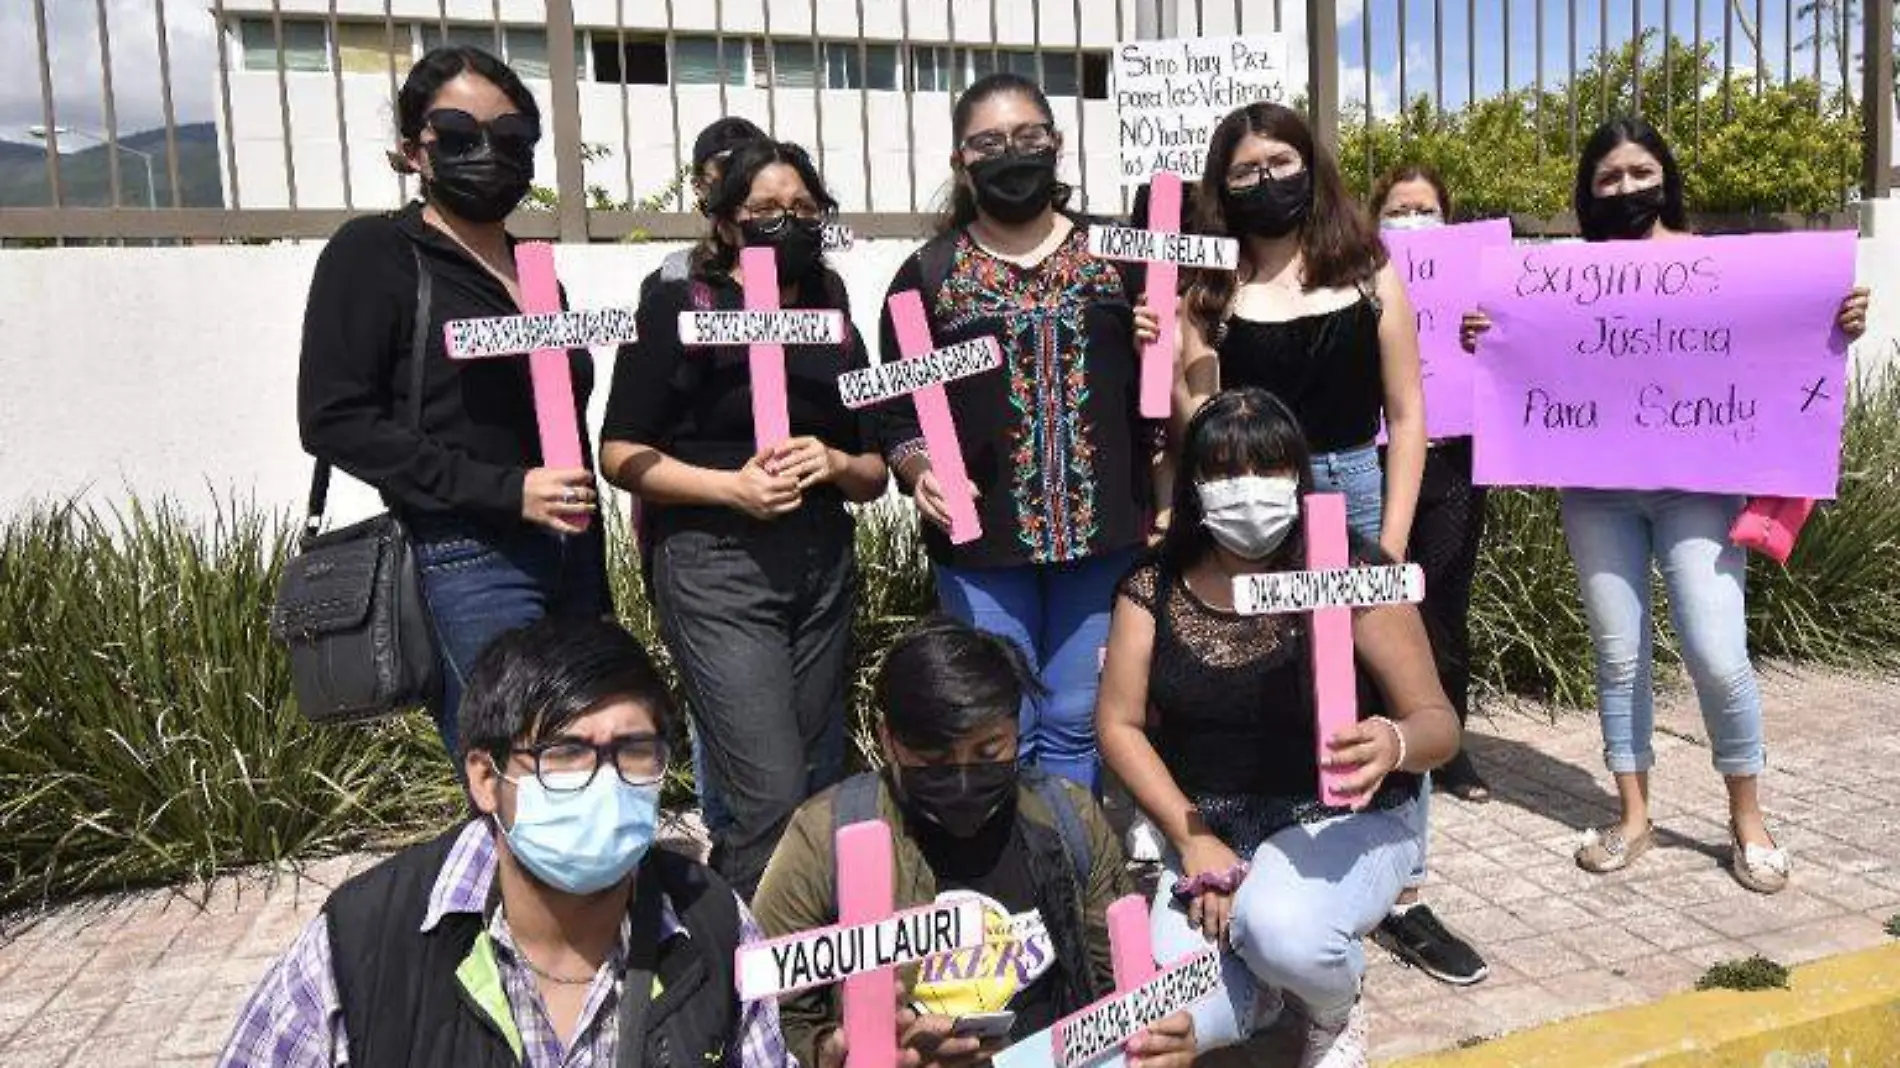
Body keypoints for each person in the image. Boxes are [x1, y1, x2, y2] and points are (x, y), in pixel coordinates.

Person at [1461, 117, 1871, 893]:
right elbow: (1513, 354)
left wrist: (1839, 318)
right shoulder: (1561, 278)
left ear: (1666, 177)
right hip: (1596, 492)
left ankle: (1747, 817)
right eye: (1608, 178)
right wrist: (1485, 334)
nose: (1625, 189)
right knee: (1618, 656)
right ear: (1588, 192)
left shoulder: (1719, 266)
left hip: (1699, 488)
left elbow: (1785, 339)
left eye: (1639, 173)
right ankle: (1632, 816)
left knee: (1718, 654)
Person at [1175, 104, 1482, 988]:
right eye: (1245, 170)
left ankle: (1405, 886)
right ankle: (1282, 849)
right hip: (1247, 501)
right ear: (1222, 187)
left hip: (1351, 489)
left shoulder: (1370, 270)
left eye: (1281, 161)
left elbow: (1409, 415)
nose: (1265, 179)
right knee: (1272, 673)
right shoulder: (1212, 288)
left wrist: (1384, 543)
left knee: (1387, 682)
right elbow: (1196, 415)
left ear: (1312, 166)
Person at [217, 617, 791, 1068]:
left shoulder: (712, 921)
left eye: (634, 751)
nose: (607, 781)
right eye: (565, 755)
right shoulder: (363, 947)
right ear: (487, 779)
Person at [1095, 387, 1462, 1068]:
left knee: (1280, 928)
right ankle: (1262, 998)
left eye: (1267, 470)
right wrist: (1192, 839)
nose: (1248, 491)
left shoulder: (1353, 573)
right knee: (1171, 1021)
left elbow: (1439, 724)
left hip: (1343, 820)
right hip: (1213, 831)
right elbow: (1118, 725)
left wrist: (1395, 743)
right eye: (1226, 472)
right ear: (1195, 483)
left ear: (1298, 475)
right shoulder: (1152, 586)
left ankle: (1332, 1004)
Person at [297, 46, 609, 759]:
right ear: (414, 150)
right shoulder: (374, 252)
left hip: (571, 553)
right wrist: (505, 491)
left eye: (510, 139)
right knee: (521, 772)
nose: (488, 154)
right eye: (460, 136)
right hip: (464, 558)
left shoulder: (536, 273)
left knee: (584, 758)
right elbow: (334, 418)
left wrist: (590, 562)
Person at [601, 138, 887, 898]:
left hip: (820, 566)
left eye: (802, 209)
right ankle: (760, 982)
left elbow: (873, 471)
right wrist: (731, 487)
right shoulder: (677, 307)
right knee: (768, 792)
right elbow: (621, 452)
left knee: (818, 780)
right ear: (726, 222)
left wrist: (831, 461)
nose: (785, 222)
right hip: (715, 567)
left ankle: (801, 947)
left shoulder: (834, 316)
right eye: (764, 210)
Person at [876, 72, 1162, 792]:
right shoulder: (926, 278)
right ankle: (1009, 870)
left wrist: (1171, 337)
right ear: (960, 162)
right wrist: (919, 472)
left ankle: (1069, 868)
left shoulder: (1123, 260)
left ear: (1057, 146)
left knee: (1075, 715)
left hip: (1104, 538)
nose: (1012, 153)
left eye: (1029, 137)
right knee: (999, 718)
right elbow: (895, 410)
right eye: (989, 143)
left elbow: (1168, 391)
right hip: (981, 544)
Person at [752, 617, 1199, 1068]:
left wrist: (1158, 1035)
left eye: (989, 752)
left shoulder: (1070, 818)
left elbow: (1118, 977)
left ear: (1017, 729)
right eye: (934, 759)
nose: (964, 778)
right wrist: (836, 1054)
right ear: (888, 740)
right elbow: (766, 1016)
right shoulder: (823, 835)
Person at [1370, 163, 1494, 804]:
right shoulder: (1358, 272)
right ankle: (1383, 734)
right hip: (1376, 457)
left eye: (1425, 210)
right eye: (1399, 209)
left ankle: (1449, 746)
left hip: (1452, 462)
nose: (1412, 220)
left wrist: (1489, 332)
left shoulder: (1478, 277)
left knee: (1443, 602)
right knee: (1373, 602)